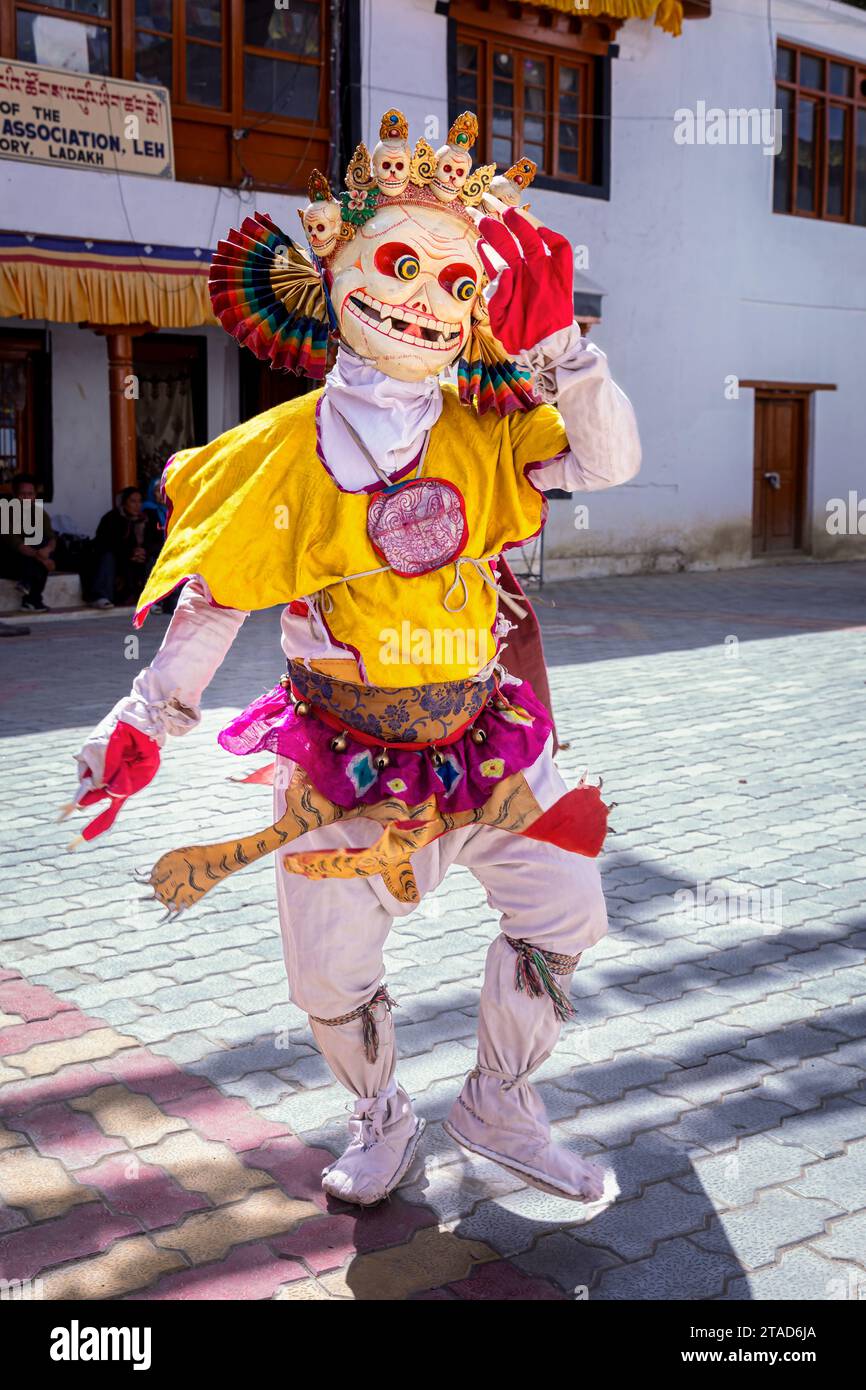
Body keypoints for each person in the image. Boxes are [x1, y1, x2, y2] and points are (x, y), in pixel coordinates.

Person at [70, 111, 641, 1208]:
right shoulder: (276, 453)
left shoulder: (488, 428)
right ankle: (380, 1116)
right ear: (330, 268)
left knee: (568, 906)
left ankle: (499, 1102)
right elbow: (218, 592)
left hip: (483, 741)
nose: (425, 298)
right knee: (326, 972)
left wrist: (568, 347)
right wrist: (146, 714)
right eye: (398, 263)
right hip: (341, 758)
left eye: (456, 283)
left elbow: (607, 463)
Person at [89, 486, 160, 609]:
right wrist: (130, 552)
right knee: (107, 557)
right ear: (123, 503)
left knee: (154, 560)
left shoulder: (149, 518)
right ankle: (101, 596)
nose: (137, 505)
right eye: (133, 501)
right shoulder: (112, 518)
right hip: (120, 559)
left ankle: (149, 599)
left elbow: (158, 541)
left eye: (140, 501)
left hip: (142, 558)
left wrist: (144, 552)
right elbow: (105, 542)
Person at [0, 474, 55, 611]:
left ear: (35, 495)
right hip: (8, 560)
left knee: (43, 541)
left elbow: (52, 538)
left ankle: (28, 589)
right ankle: (33, 600)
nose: (26, 498)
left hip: (29, 559)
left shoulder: (40, 514)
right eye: (22, 494)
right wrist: (43, 559)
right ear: (15, 495)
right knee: (35, 548)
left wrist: (47, 551)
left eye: (30, 494)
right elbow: (15, 543)